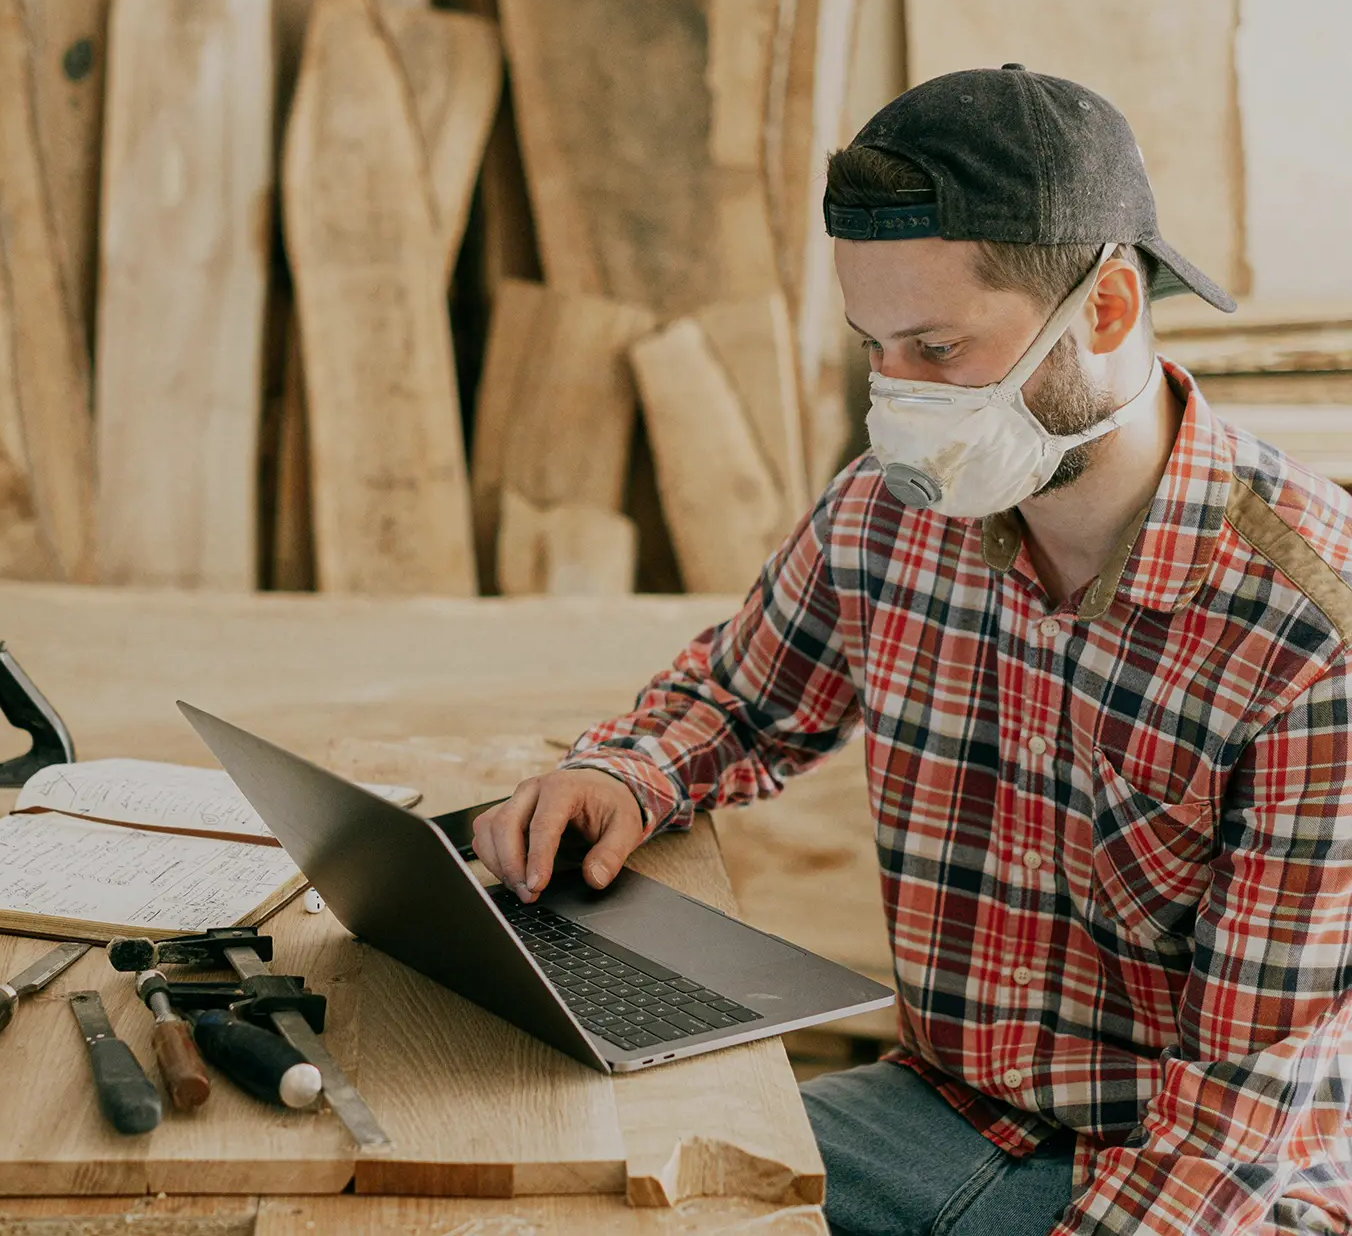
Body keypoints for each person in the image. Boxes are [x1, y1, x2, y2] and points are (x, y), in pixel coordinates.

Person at [472, 65, 1352, 1236]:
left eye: (936, 347)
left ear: (1107, 309)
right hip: (941, 1110)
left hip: (1208, 1179)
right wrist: (619, 773)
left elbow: (1234, 1118)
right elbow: (738, 702)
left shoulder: (1309, 637)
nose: (897, 397)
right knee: (589, 1199)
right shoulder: (897, 512)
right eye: (872, 346)